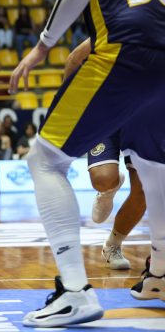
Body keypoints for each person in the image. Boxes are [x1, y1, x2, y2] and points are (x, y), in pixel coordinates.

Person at [9, 0, 165, 326]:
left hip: (123, 52)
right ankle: (160, 272)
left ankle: (75, 292)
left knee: (44, 160)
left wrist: (42, 47)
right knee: (155, 165)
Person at [64, 38, 146, 270]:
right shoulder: (115, 27)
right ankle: (109, 188)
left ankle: (113, 244)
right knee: (102, 179)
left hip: (141, 117)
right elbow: (74, 59)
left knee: (143, 191)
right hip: (105, 113)